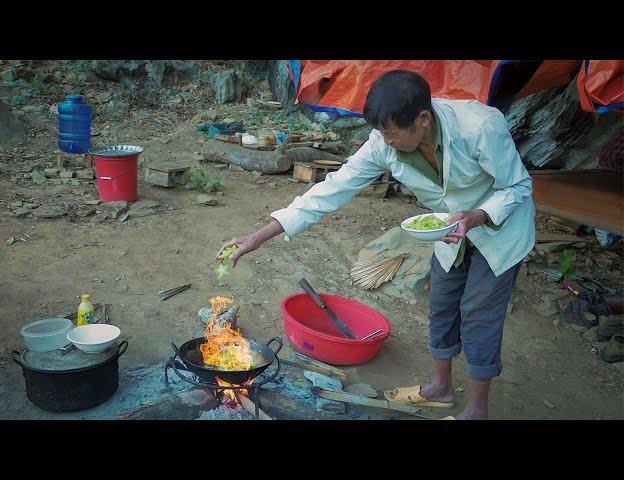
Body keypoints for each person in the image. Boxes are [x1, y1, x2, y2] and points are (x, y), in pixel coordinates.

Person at [216, 70, 535, 419]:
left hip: (499, 230)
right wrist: (258, 237)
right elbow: (331, 190)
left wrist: (477, 215)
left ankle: (477, 409)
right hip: (447, 231)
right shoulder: (384, 142)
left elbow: (517, 188)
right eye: (380, 132)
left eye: (392, 133)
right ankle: (441, 388)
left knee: (477, 315)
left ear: (423, 119)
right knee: (442, 305)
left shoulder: (480, 127)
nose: (385, 141)